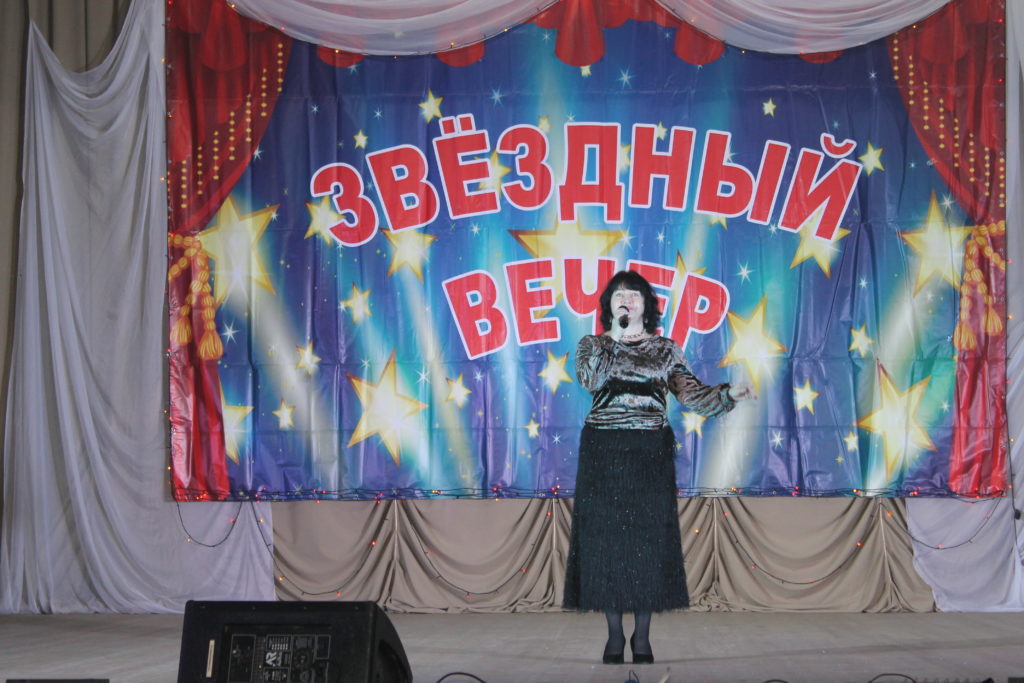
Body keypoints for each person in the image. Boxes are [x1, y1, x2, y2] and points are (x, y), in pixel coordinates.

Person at [562, 270, 755, 665]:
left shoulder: (666, 349)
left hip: (650, 452)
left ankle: (643, 637)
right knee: (607, 546)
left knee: (647, 546)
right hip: (603, 452)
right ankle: (615, 635)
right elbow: (590, 380)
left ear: (647, 304)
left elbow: (692, 395)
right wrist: (615, 338)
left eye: (634, 295)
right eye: (619, 295)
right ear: (609, 305)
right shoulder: (591, 345)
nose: (626, 301)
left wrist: (730, 393)